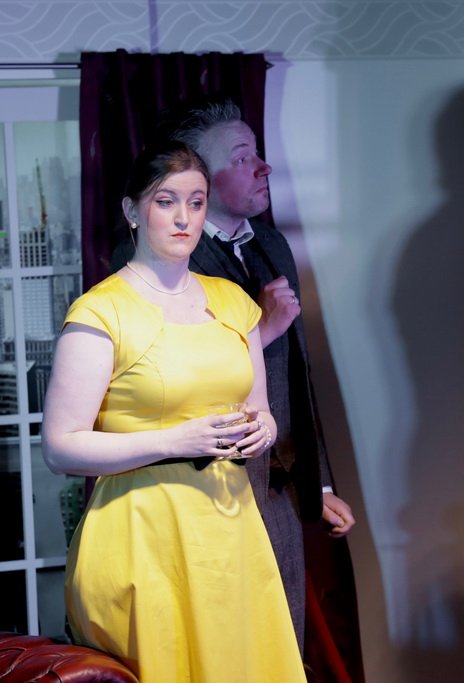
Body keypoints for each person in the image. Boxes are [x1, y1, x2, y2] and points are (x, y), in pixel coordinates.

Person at [41, 141, 306, 681]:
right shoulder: (101, 311)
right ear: (133, 210)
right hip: (143, 533)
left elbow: (261, 410)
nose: (184, 217)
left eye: (197, 202)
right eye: (166, 201)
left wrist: (263, 429)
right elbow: (60, 447)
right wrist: (175, 440)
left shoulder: (232, 302)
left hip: (231, 529)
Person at [129, 96, 357, 650]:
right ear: (199, 181)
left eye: (257, 153)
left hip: (279, 492)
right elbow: (162, 378)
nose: (263, 167)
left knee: (282, 652)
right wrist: (262, 329)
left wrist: (319, 482)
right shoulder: (151, 259)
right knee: (218, 652)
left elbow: (296, 376)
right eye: (241, 157)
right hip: (201, 494)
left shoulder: (272, 244)